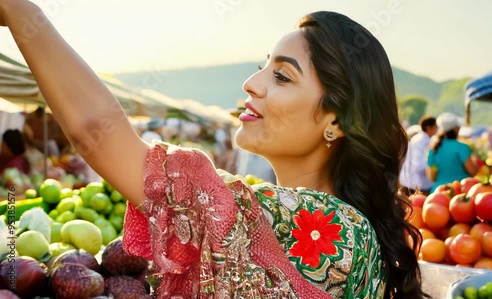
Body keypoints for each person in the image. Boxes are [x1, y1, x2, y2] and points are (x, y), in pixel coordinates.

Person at [0, 3, 427, 298]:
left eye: (282, 76)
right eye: (263, 66)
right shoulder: (317, 218)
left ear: (335, 121)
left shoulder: (328, 227)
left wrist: (21, 12)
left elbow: (98, 132)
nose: (252, 83)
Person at [427, 112, 478, 192]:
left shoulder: (433, 149)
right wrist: (476, 161)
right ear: (456, 129)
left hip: (438, 192)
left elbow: (432, 177)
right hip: (460, 191)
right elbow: (472, 171)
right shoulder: (462, 147)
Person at [400, 116, 438, 195]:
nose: (437, 129)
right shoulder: (422, 142)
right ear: (429, 127)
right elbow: (418, 166)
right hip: (419, 186)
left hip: (413, 183)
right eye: (435, 126)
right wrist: (435, 167)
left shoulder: (420, 139)